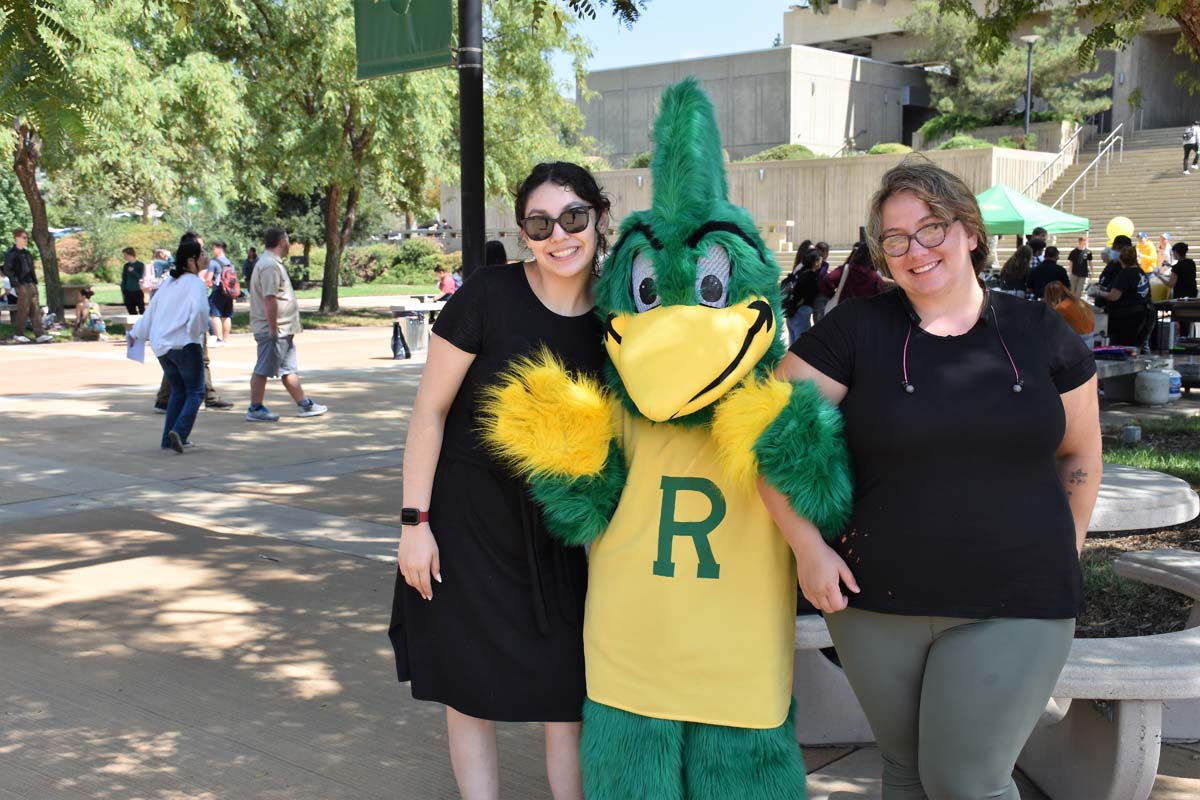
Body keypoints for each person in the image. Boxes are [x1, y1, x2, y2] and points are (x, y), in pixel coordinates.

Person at [767, 158, 1101, 800]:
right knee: (906, 771)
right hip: (875, 604)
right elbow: (769, 444)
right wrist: (807, 548)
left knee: (964, 781)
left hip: (1017, 602)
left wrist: (1069, 548)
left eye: (932, 229)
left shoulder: (1037, 332)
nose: (915, 251)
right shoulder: (855, 331)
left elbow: (1080, 455)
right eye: (895, 239)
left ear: (970, 232)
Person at [389, 161, 611, 800]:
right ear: (523, 232)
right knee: (469, 694)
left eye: (573, 218)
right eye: (539, 224)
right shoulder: (487, 294)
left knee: (567, 700)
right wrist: (415, 525)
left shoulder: (619, 316)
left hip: (564, 534)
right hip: (468, 525)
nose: (559, 236)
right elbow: (429, 413)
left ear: (597, 217)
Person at [130, 239, 210, 453]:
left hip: (162, 346)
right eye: (202, 253)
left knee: (178, 390)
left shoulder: (168, 283)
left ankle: (168, 439)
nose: (206, 256)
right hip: (185, 343)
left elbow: (151, 312)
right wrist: (195, 333)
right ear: (191, 261)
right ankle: (180, 432)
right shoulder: (195, 283)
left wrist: (137, 333)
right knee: (195, 391)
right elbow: (201, 312)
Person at [246, 226, 327, 421]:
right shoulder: (269, 265)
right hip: (274, 330)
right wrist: (273, 329)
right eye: (288, 240)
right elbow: (269, 298)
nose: (289, 244)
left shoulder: (272, 263)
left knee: (288, 369)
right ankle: (255, 408)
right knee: (263, 369)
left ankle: (304, 404)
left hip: (283, 329)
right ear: (282, 242)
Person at [152, 232, 233, 413]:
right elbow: (196, 310)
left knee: (176, 363)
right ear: (191, 257)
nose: (204, 253)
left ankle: (166, 401)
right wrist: (196, 330)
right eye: (201, 249)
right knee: (195, 364)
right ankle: (195, 398)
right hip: (187, 328)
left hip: (180, 328)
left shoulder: (179, 275)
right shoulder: (188, 280)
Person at [1092, 245, 1154, 349]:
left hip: (1128, 317)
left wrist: (1097, 292)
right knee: (1138, 346)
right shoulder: (1140, 271)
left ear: (1121, 258)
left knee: (1125, 347)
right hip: (1144, 313)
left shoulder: (1126, 273)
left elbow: (1114, 296)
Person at [2, 228, 51, 343]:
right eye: (24, 237)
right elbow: (7, 270)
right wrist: (17, 284)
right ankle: (18, 334)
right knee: (24, 309)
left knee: (35, 309)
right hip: (21, 284)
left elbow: (31, 269)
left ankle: (39, 335)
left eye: (26, 237)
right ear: (17, 238)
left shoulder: (27, 253)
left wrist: (34, 282)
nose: (26, 240)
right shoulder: (11, 254)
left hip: (31, 283)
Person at [819, 240, 886, 307]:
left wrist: (831, 295)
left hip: (844, 310)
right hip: (865, 313)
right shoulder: (875, 278)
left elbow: (827, 280)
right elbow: (880, 299)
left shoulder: (845, 270)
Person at [782, 248, 821, 343]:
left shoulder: (799, 272)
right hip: (801, 312)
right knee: (801, 344)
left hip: (791, 311)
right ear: (815, 262)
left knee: (793, 342)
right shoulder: (811, 276)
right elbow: (810, 295)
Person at [206, 241, 237, 345]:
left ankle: (219, 339)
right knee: (226, 315)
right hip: (229, 291)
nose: (212, 251)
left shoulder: (213, 263)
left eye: (214, 249)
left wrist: (208, 284)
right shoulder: (230, 263)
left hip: (218, 291)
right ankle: (226, 339)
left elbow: (209, 279)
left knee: (215, 315)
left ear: (220, 249)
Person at [119, 247, 146, 314]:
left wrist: (133, 271)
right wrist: (123, 288)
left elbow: (141, 277)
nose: (124, 257)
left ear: (130, 255)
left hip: (137, 289)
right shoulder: (126, 266)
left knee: (141, 308)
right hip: (128, 290)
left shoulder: (140, 265)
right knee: (130, 308)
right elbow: (124, 278)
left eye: (125, 255)